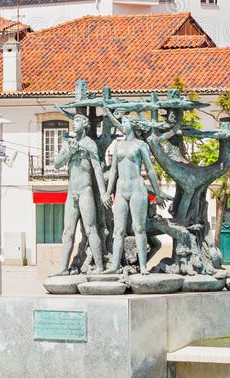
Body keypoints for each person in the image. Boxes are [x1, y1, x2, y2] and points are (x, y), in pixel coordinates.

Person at [106, 114, 167, 274]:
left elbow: (150, 169)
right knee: (118, 230)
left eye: (124, 122)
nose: (122, 124)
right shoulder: (118, 145)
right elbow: (113, 170)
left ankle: (143, 266)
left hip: (137, 188)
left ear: (132, 125)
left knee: (139, 228)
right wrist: (107, 192)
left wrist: (158, 192)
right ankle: (114, 266)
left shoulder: (140, 145)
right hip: (121, 189)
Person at [54, 114, 111, 274]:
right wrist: (69, 152)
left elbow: (97, 168)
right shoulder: (68, 143)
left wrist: (104, 193)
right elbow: (57, 164)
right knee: (67, 232)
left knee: (91, 229)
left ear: (85, 124)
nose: (74, 124)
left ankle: (100, 266)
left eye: (78, 121)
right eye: (74, 121)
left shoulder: (89, 144)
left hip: (85, 191)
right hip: (71, 193)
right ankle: (63, 268)